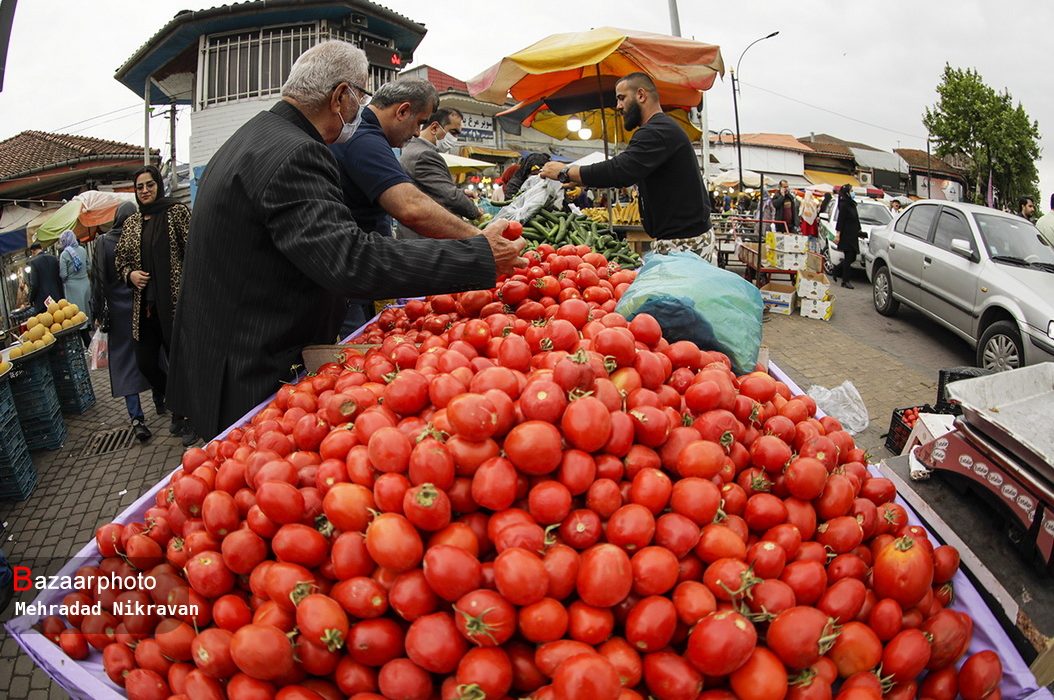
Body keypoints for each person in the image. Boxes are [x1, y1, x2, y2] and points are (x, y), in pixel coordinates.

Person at [165, 40, 524, 441]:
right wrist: (478, 257)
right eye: (361, 97)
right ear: (340, 96)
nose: (361, 110)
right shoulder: (297, 153)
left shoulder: (249, 138)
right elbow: (350, 260)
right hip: (249, 364)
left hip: (216, 353)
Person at [538, 72, 711, 258]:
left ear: (641, 95)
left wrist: (565, 172)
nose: (618, 106)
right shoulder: (659, 129)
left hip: (684, 244)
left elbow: (620, 170)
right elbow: (629, 169)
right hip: (680, 239)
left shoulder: (657, 131)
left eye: (621, 98)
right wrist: (582, 181)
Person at [115, 165, 196, 445]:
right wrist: (130, 275)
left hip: (175, 307)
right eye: (140, 187)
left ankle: (190, 418)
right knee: (146, 362)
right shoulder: (132, 223)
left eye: (150, 185)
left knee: (182, 363)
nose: (145, 190)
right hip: (145, 311)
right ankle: (178, 405)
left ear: (158, 186)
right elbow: (120, 261)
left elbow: (194, 252)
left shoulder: (176, 213)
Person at [92, 201, 152, 442]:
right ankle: (162, 402)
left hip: (118, 315)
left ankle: (137, 418)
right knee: (153, 355)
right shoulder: (141, 238)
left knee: (126, 363)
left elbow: (98, 281)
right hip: (144, 308)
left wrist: (96, 311)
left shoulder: (104, 243)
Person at [397, 107, 483, 241]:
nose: (455, 139)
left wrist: (461, 192)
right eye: (453, 132)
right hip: (424, 240)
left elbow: (432, 192)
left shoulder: (412, 149)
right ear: (435, 128)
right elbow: (450, 197)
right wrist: (476, 212)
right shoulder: (425, 154)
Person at [57, 230, 93, 346]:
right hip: (86, 284)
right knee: (87, 313)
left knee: (77, 317)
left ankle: (87, 344)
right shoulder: (82, 250)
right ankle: (91, 342)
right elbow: (88, 266)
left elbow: (63, 274)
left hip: (73, 287)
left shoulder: (64, 254)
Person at [832, 184, 861, 289]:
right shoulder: (844, 204)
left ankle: (836, 270)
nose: (853, 192)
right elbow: (841, 220)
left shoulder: (851, 203)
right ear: (847, 192)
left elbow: (855, 219)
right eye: (852, 190)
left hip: (853, 235)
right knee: (849, 257)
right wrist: (838, 235)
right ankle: (845, 281)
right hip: (846, 235)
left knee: (852, 257)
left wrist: (859, 231)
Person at [26, 242, 63, 314]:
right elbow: (59, 278)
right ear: (41, 248)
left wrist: (31, 299)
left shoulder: (34, 262)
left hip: (43, 301)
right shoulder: (54, 258)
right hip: (57, 297)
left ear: (32, 251)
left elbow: (34, 284)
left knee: (47, 323)